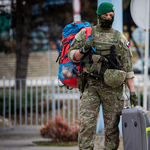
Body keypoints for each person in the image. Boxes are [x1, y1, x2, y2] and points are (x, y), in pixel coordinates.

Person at [68, 2, 137, 150]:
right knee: (87, 125)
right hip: (91, 86)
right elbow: (72, 56)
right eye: (105, 15)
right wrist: (84, 48)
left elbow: (128, 67)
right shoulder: (86, 34)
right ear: (99, 16)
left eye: (111, 16)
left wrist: (133, 92)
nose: (108, 18)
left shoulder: (119, 38)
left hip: (112, 89)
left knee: (112, 129)